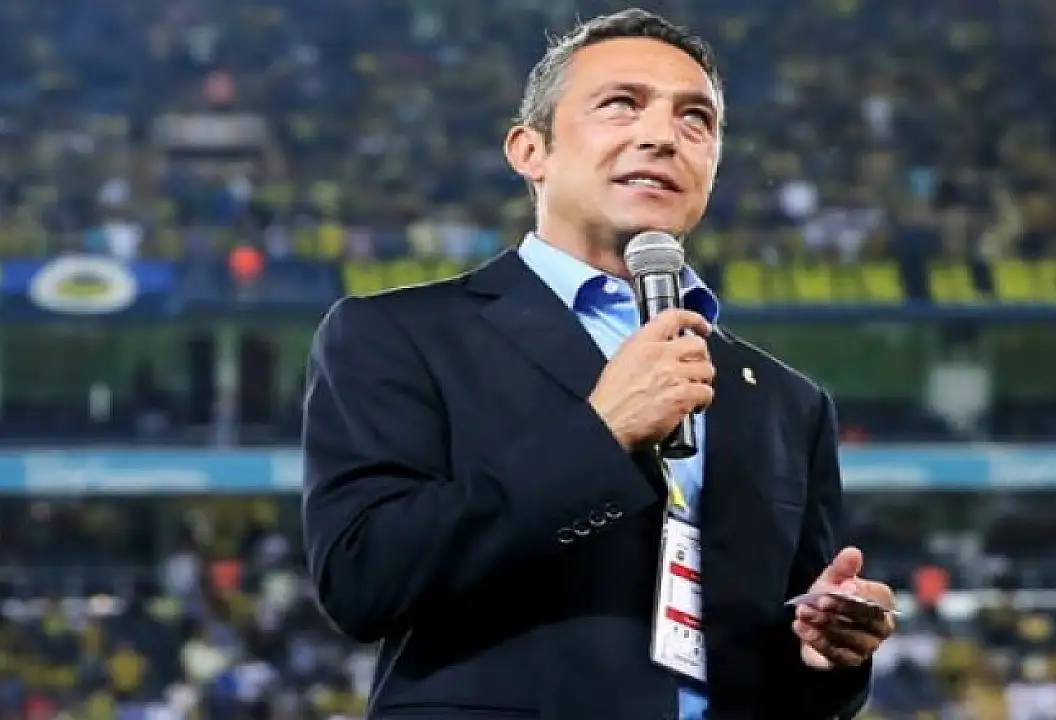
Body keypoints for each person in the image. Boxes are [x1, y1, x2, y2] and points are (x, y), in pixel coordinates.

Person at [302, 8, 896, 719]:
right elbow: (362, 579)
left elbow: (779, 665)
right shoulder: (398, 335)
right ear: (530, 151)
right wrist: (601, 434)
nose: (662, 135)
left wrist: (829, 658)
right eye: (621, 104)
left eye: (696, 119)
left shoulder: (786, 401)